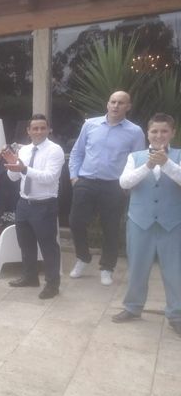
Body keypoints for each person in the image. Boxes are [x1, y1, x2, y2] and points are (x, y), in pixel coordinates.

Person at [113, 113, 181, 337]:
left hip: (172, 223)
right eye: (154, 131)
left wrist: (167, 164)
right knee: (137, 269)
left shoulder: (179, 156)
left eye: (164, 131)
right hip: (139, 221)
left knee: (175, 272)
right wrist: (148, 166)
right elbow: (124, 182)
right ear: (147, 133)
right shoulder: (135, 156)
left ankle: (176, 314)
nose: (159, 135)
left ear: (172, 132)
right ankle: (132, 307)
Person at [68, 91, 145, 286]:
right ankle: (83, 257)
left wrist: (128, 185)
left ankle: (107, 267)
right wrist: (74, 176)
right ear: (107, 104)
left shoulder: (135, 132)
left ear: (128, 106)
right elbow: (77, 151)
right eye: (113, 101)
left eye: (121, 103)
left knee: (110, 228)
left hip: (114, 185)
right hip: (85, 181)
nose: (116, 106)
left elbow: (137, 161)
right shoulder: (90, 124)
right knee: (76, 222)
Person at [3, 114, 65, 299]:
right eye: (34, 128)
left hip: (44, 204)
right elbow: (14, 177)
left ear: (48, 130)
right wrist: (12, 166)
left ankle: (53, 284)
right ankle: (30, 277)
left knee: (48, 247)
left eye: (42, 128)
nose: (38, 131)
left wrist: (23, 169)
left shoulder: (55, 150)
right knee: (26, 244)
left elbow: (50, 177)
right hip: (24, 203)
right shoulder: (24, 151)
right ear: (28, 131)